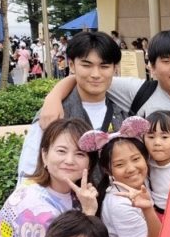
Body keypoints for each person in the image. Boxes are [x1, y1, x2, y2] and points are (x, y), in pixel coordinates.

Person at [38, 30, 170, 157]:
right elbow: (89, 78)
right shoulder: (138, 92)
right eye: (166, 61)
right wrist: (53, 97)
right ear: (151, 67)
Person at [0, 119, 99, 237]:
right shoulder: (34, 204)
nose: (69, 160)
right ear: (44, 156)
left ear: (90, 163)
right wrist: (89, 213)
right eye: (61, 151)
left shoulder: (78, 194)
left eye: (80, 154)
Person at [17, 32, 126, 182]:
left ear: (115, 68)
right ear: (72, 65)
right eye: (86, 65)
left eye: (104, 66)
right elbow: (28, 172)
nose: (96, 74)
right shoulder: (54, 113)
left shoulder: (124, 111)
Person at [85, 121, 162, 237]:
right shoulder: (119, 204)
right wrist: (148, 209)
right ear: (107, 170)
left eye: (136, 159)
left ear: (145, 158)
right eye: (120, 164)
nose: (131, 169)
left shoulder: (142, 182)